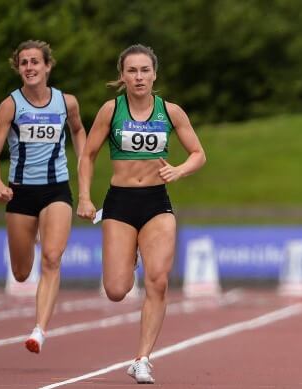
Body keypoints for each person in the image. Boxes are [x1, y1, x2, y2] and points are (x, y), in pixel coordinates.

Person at [76, 44, 206, 384]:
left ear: (154, 75)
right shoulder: (111, 110)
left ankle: (142, 358)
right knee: (117, 289)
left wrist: (179, 170)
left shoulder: (170, 111)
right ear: (122, 76)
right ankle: (129, 251)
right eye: (132, 71)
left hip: (156, 203)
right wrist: (85, 197)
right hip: (119, 202)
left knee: (158, 281)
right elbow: (87, 155)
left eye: (144, 70)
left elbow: (198, 154)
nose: (138, 77)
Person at [0, 40, 87, 354]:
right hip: (21, 191)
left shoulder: (66, 102)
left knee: (52, 259)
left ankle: (39, 330)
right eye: (24, 63)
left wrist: (83, 171)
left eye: (35, 62)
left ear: (47, 66)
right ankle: (36, 232)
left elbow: (79, 131)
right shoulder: (11, 106)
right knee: (21, 271)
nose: (29, 67)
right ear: (19, 68)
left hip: (57, 188)